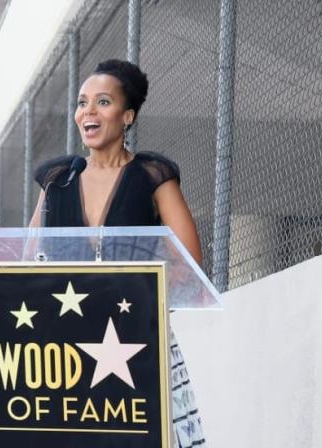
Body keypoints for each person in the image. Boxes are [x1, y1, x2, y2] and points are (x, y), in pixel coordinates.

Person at [29, 59, 205, 446]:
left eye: (103, 102)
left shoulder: (152, 175)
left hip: (133, 339)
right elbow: (25, 260)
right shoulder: (58, 178)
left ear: (127, 115)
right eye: (82, 102)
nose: (87, 111)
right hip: (64, 344)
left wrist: (139, 303)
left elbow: (189, 261)